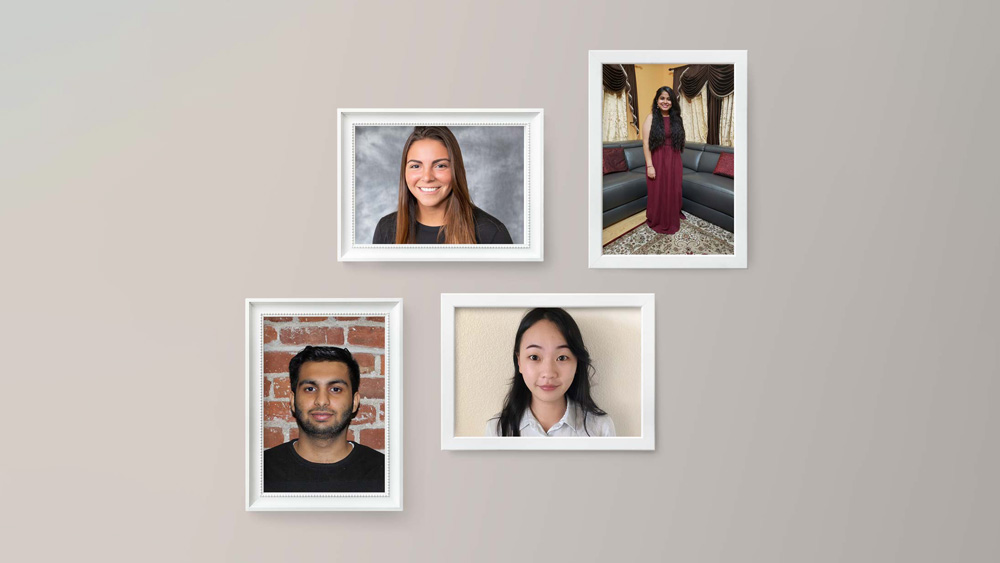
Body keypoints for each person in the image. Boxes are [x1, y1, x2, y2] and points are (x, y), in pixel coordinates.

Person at [264, 346, 384, 492]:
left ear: (354, 402)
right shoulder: (260, 471)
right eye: (310, 389)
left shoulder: (386, 475)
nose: (321, 401)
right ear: (292, 401)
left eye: (335, 389)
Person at [372, 126, 513, 244]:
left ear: (456, 170)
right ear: (404, 171)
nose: (427, 177)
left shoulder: (492, 233)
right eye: (416, 166)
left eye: (440, 166)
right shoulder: (386, 229)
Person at [486, 308, 615, 437]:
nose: (548, 373)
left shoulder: (600, 428)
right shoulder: (498, 430)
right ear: (519, 361)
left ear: (577, 362)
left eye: (562, 358)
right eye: (534, 357)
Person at [642, 86, 686, 235]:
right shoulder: (651, 118)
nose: (665, 101)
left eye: (668, 99)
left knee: (674, 189)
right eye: (662, 98)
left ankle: (672, 215)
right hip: (657, 159)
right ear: (657, 100)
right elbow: (646, 143)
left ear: (672, 102)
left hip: (674, 159)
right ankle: (658, 218)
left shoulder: (677, 119)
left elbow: (678, 141)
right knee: (658, 190)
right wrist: (650, 165)